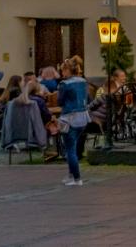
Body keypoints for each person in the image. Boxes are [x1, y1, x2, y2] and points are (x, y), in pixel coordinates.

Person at [55, 57, 89, 186]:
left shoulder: (64, 84)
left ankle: (77, 178)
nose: (62, 74)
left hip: (69, 117)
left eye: (63, 71)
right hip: (83, 117)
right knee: (73, 145)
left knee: (70, 149)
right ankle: (70, 175)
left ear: (68, 70)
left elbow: (60, 101)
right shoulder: (83, 81)